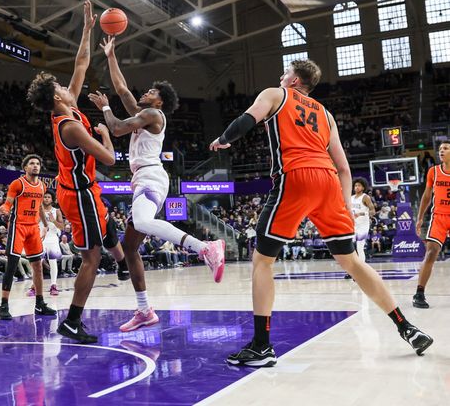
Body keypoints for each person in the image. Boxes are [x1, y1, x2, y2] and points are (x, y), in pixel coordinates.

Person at [209, 59, 432, 366]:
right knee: (351, 261)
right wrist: (343, 206)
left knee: (262, 260)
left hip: (296, 177)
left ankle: (261, 346)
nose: (280, 75)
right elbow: (343, 168)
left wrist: (223, 140)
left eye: (284, 72)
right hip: (328, 181)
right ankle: (406, 326)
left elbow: (247, 120)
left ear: (294, 79)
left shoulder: (276, 94)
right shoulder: (326, 114)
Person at [90, 35, 225, 332]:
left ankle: (205, 248)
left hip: (151, 175)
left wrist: (105, 108)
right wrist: (111, 55)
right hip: (142, 178)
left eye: (151, 91)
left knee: (141, 219)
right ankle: (145, 311)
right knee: (130, 248)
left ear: (159, 100)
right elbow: (123, 88)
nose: (145, 92)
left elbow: (116, 128)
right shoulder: (143, 111)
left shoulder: (153, 114)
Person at [26, 0, 128, 344]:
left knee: (105, 225)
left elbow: (81, 62)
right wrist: (103, 135)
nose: (65, 87)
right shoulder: (69, 125)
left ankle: (122, 261)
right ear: (55, 98)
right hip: (78, 193)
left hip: (82, 190)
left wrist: (86, 29)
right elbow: (110, 160)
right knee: (90, 257)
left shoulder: (66, 102)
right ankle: (71, 320)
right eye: (58, 87)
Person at [0, 155, 56, 320]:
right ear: (25, 167)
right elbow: (8, 203)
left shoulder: (42, 186)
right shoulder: (18, 183)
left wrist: (45, 225)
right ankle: (4, 305)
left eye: (37, 163)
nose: (35, 166)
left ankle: (40, 304)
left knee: (38, 267)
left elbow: (41, 208)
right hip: (18, 227)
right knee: (12, 265)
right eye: (32, 163)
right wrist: (4, 209)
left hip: (33, 229)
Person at [413, 141, 450, 308]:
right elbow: (426, 197)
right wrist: (420, 217)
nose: (441, 151)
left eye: (446, 148)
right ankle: (419, 293)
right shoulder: (433, 171)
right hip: (439, 217)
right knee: (431, 252)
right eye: (440, 149)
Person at [40, 192, 64, 296]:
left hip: (52, 238)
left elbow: (62, 227)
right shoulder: (38, 210)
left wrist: (53, 221)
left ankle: (53, 285)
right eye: (45, 197)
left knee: (53, 262)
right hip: (40, 237)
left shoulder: (56, 211)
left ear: (52, 199)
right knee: (37, 263)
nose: (46, 199)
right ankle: (34, 286)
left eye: (49, 197)